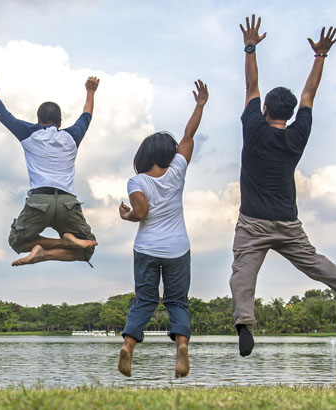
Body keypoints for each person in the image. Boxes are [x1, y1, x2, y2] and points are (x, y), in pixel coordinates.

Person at [230, 15, 336, 357]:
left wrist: (250, 48)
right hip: (288, 224)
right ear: (287, 115)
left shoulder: (253, 129)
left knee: (242, 275)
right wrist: (320, 56)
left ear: (263, 110)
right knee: (321, 267)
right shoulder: (298, 135)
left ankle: (245, 324)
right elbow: (309, 93)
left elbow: (250, 86)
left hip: (252, 223)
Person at [117, 80, 209, 379]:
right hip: (177, 249)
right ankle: (181, 346)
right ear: (168, 154)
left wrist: (128, 216)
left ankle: (129, 346)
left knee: (144, 300)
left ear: (144, 155)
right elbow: (188, 135)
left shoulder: (137, 181)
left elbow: (141, 212)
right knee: (176, 301)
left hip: (146, 249)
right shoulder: (178, 170)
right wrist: (200, 105)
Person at [0, 73, 99, 267]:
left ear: (37, 119)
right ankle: (63, 243)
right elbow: (86, 115)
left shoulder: (29, 133)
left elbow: (2, 113)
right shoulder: (72, 136)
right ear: (60, 122)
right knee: (87, 250)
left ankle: (46, 250)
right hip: (67, 202)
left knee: (17, 241)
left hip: (39, 201)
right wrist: (90, 91)